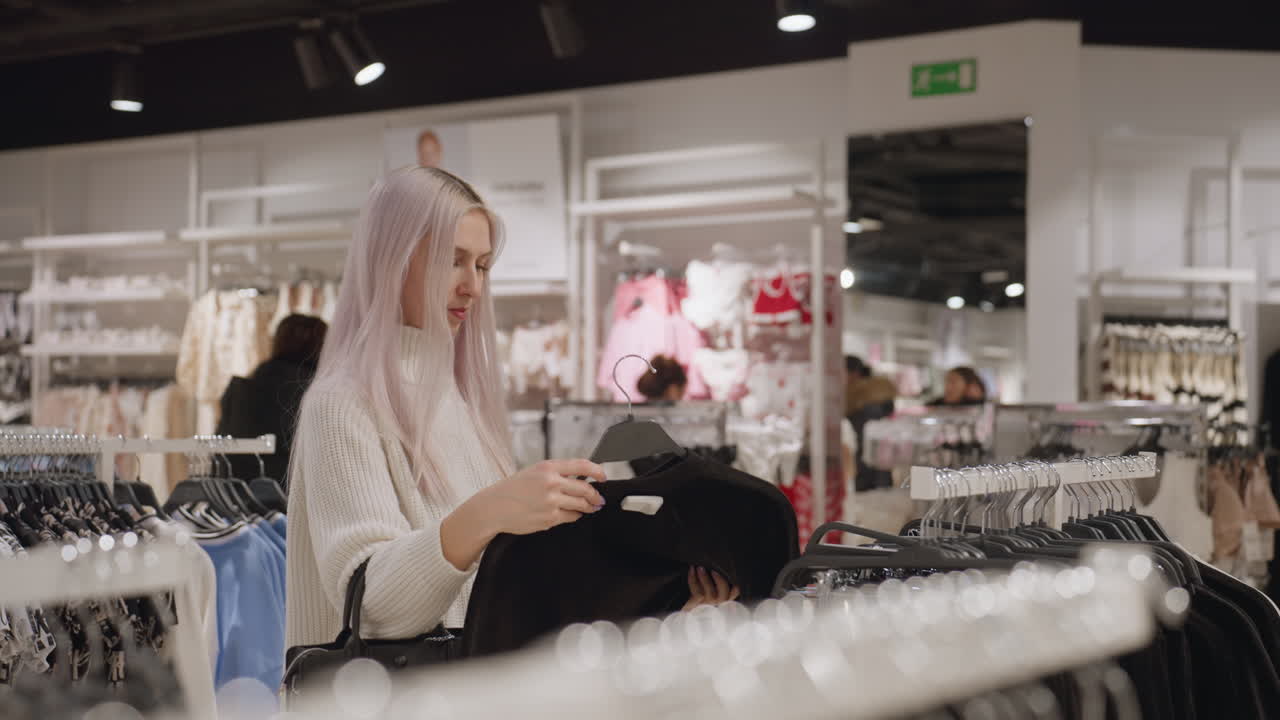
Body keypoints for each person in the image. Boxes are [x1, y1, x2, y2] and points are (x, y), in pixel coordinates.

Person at [285, 167, 736, 656]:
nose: (472, 287)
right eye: (452, 261)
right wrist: (489, 512)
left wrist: (664, 609)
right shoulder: (342, 403)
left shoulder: (456, 401)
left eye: (481, 266)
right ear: (390, 261)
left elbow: (499, 604)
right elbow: (372, 608)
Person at [215, 313, 327, 485]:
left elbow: (222, 449)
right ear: (322, 346)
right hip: (290, 490)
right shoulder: (318, 394)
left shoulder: (241, 390)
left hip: (234, 490)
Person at [844, 355, 897, 491]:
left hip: (866, 476)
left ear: (854, 374)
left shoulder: (862, 402)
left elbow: (866, 445)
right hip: (878, 473)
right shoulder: (875, 396)